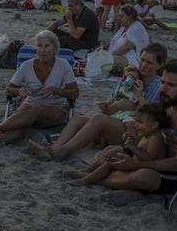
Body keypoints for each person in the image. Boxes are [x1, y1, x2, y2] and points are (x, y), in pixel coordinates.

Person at [90, 59, 177, 194]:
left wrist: (136, 164)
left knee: (143, 176)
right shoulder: (169, 102)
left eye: (171, 85)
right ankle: (91, 174)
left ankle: (99, 180)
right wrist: (132, 138)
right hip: (163, 161)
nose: (163, 88)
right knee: (113, 151)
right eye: (162, 82)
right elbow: (151, 127)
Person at [28, 44, 167, 161]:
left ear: (160, 65)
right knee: (78, 119)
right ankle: (54, 148)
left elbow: (153, 120)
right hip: (117, 122)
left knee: (98, 119)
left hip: (137, 133)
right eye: (142, 60)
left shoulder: (159, 86)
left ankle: (62, 152)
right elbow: (109, 109)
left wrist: (139, 97)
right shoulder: (130, 77)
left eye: (149, 63)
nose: (143, 65)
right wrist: (110, 106)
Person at [0, 30, 79, 145]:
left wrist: (57, 91)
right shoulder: (27, 65)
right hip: (30, 105)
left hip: (56, 109)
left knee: (38, 109)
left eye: (47, 46)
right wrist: (19, 90)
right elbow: (9, 88)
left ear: (55, 48)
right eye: (39, 46)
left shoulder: (63, 65)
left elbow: (75, 92)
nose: (42, 50)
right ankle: (2, 139)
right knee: (22, 121)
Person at [71, 103, 170, 186]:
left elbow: (149, 159)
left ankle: (86, 180)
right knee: (111, 157)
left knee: (110, 164)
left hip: (145, 169)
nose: (136, 125)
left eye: (140, 122)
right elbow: (139, 149)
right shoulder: (147, 134)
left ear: (154, 125)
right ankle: (88, 171)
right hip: (136, 163)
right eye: (136, 121)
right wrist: (129, 140)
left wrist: (133, 147)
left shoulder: (155, 138)